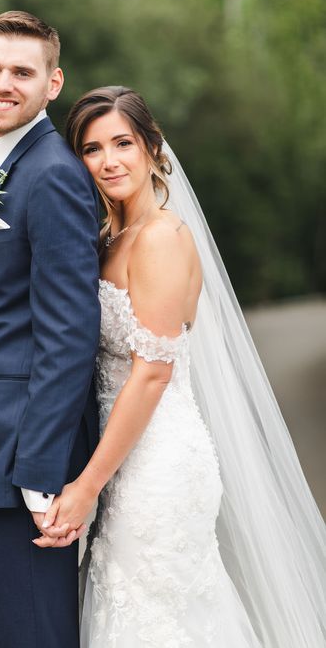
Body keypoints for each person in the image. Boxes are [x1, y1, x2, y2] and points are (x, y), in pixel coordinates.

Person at [36, 86, 326, 647]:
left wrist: (87, 486)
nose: (109, 160)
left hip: (159, 467)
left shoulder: (163, 238)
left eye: (123, 142)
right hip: (121, 461)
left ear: (152, 148)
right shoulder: (109, 238)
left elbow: (151, 373)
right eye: (92, 149)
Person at [0, 11, 101, 648]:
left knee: (33, 632)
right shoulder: (3, 162)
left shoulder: (54, 175)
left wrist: (39, 474)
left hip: (26, 460)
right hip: (1, 444)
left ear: (53, 82)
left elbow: (69, 335)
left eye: (22, 72)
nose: (3, 83)